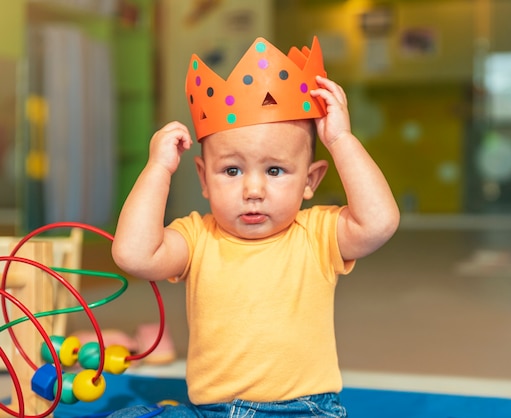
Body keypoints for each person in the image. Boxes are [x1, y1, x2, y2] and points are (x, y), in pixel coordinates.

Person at [109, 37, 399, 417]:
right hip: (211, 411)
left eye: (275, 170)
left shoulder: (316, 234)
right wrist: (158, 169)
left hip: (300, 410)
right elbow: (133, 255)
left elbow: (379, 222)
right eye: (232, 170)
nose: (253, 190)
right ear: (204, 178)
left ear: (310, 181)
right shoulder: (197, 237)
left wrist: (340, 140)